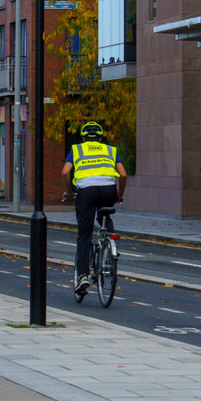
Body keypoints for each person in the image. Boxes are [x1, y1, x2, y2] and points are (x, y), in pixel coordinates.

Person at [61, 121, 127, 300]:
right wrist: (119, 195)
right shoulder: (110, 150)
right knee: (105, 216)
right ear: (100, 137)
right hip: (108, 190)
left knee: (84, 233)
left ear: (83, 137)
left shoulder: (77, 150)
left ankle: (82, 276)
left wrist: (68, 191)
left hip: (86, 191)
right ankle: (110, 246)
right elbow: (123, 174)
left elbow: (65, 172)